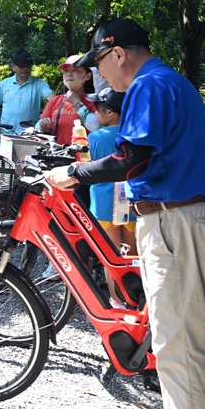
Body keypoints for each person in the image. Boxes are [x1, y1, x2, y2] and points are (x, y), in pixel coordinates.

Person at [46, 18, 205, 409]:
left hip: (176, 220)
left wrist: (75, 174)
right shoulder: (169, 81)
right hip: (182, 216)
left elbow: (134, 157)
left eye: (99, 65)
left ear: (118, 54)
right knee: (180, 341)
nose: (98, 75)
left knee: (177, 346)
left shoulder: (149, 85)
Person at [85, 86, 136, 308]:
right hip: (129, 198)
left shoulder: (95, 137)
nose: (94, 113)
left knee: (112, 257)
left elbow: (85, 164)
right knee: (132, 253)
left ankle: (117, 301)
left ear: (110, 112)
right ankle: (136, 298)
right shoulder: (134, 134)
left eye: (97, 109)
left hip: (104, 202)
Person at [35, 54, 98, 145]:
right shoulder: (56, 101)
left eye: (76, 70)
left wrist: (77, 103)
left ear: (88, 76)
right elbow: (37, 126)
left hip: (85, 156)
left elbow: (97, 127)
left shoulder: (95, 101)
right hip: (59, 155)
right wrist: (43, 126)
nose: (69, 74)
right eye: (66, 70)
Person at [0, 51, 54, 132]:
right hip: (5, 134)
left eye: (27, 66)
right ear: (13, 67)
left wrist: (59, 102)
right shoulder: (4, 84)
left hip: (29, 135)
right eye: (21, 66)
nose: (25, 69)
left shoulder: (40, 84)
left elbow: (52, 98)